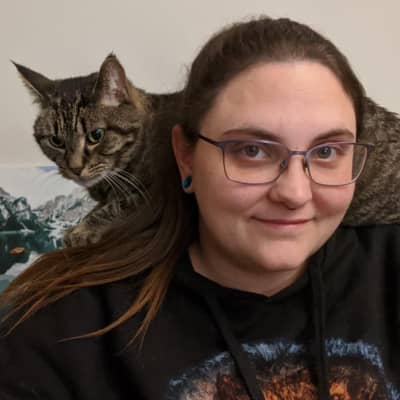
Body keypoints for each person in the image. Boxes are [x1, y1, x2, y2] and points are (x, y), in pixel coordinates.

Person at [1, 16, 399, 400]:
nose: (294, 193)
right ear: (185, 157)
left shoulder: (387, 266)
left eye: (327, 151)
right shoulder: (61, 329)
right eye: (252, 150)